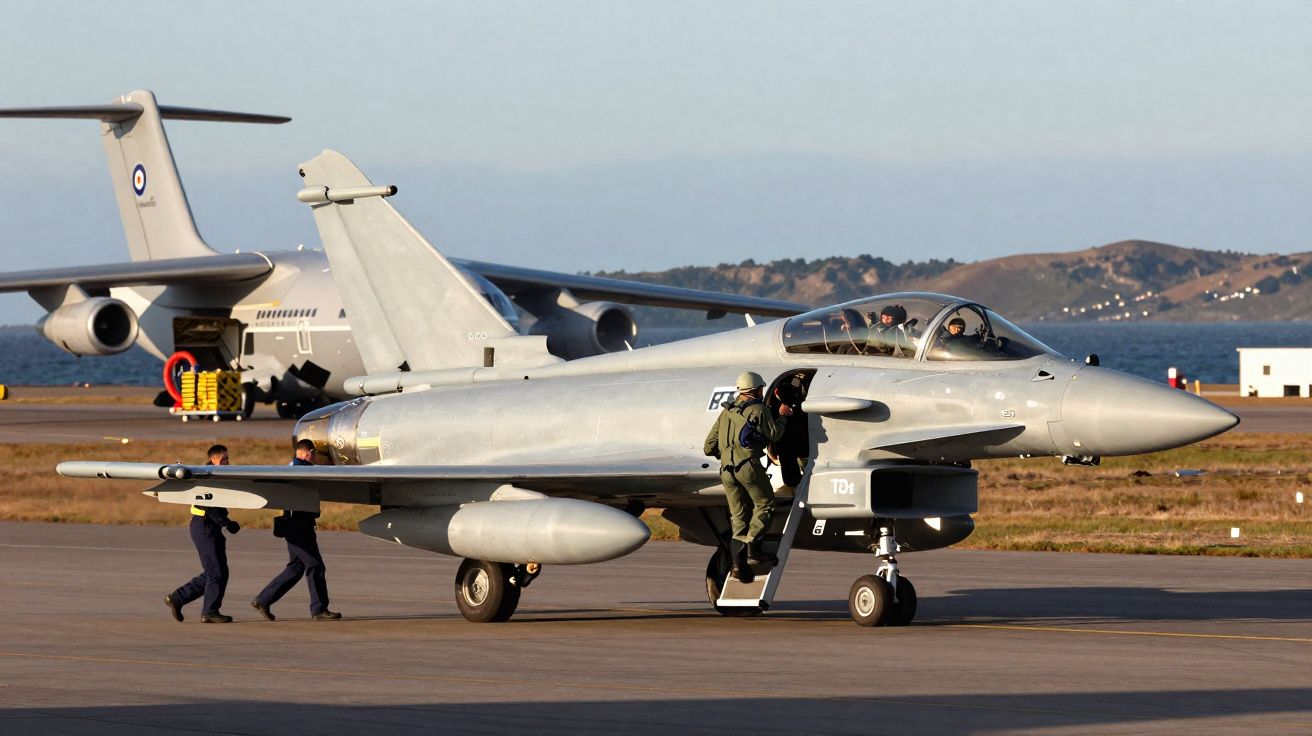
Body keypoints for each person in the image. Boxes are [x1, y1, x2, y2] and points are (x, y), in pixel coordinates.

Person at [703, 371, 791, 583]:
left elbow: (708, 447)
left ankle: (736, 566)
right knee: (765, 503)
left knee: (738, 517)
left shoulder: (726, 413)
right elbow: (775, 434)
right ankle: (753, 550)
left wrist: (727, 454)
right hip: (748, 468)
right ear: (757, 390)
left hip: (727, 472)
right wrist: (783, 416)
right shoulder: (759, 410)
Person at [250, 439, 341, 621]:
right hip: (298, 527)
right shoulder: (300, 469)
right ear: (307, 453)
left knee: (296, 568)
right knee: (315, 565)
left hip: (298, 525)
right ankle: (319, 610)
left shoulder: (293, 467)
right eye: (313, 454)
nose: (314, 458)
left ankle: (263, 599)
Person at [163, 444, 240, 623]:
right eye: (224, 459)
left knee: (217, 571)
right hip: (205, 525)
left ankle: (178, 598)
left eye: (228, 459)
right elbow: (209, 506)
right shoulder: (206, 476)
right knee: (216, 572)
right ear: (213, 459)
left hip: (209, 526)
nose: (227, 462)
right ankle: (209, 612)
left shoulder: (216, 475)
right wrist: (227, 524)